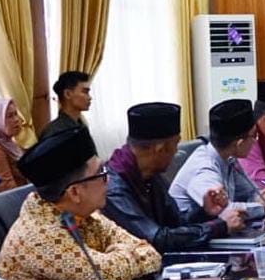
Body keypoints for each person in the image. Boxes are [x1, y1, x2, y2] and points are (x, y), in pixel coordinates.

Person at [0, 127, 161, 280]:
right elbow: (113, 276)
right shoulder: (39, 237)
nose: (108, 179)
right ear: (75, 192)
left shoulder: (81, 212)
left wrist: (116, 256)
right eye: (100, 173)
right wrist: (124, 251)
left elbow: (151, 254)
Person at [103, 102, 246, 251]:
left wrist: (204, 212)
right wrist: (220, 226)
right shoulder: (113, 186)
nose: (177, 152)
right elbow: (156, 239)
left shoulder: (150, 175)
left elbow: (176, 223)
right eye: (176, 144)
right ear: (160, 149)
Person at [170, 99, 265, 218]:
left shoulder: (229, 158)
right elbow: (224, 211)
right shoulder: (204, 169)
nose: (255, 141)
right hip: (191, 228)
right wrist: (262, 206)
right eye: (253, 135)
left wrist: (264, 197)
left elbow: (248, 192)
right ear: (239, 143)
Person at [39, 71, 91, 139]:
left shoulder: (81, 126)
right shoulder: (54, 131)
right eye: (85, 92)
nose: (89, 97)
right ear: (67, 94)